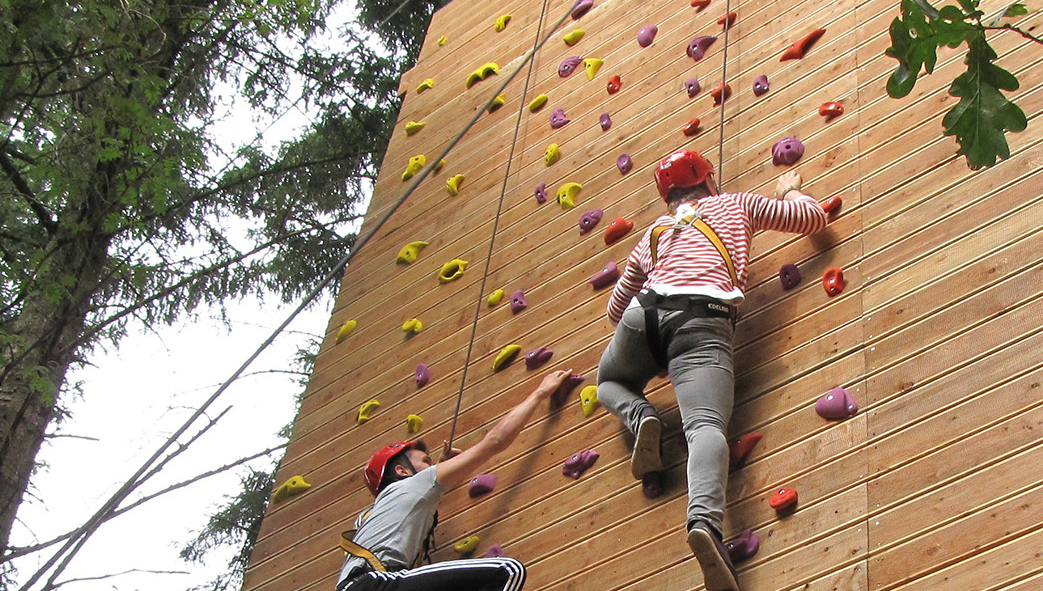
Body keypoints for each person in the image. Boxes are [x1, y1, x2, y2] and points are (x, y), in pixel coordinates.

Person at [595, 149, 830, 591]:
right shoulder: (736, 204)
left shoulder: (650, 236)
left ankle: (640, 414)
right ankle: (704, 524)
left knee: (609, 380)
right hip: (703, 320)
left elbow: (614, 310)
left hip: (642, 314)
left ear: (667, 196)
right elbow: (813, 218)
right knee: (703, 427)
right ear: (708, 180)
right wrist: (791, 190)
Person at [338, 368, 571, 591]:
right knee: (507, 570)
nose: (433, 467)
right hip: (372, 585)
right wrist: (539, 393)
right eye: (426, 461)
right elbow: (495, 441)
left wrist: (437, 469)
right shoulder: (411, 486)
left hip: (365, 584)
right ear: (401, 470)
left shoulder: (374, 514)